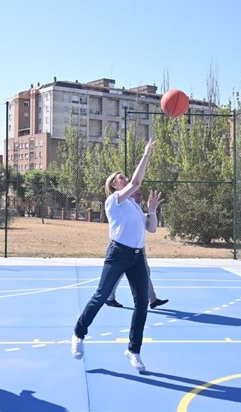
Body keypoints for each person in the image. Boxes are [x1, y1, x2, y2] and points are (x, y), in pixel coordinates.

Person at [72, 140, 160, 372]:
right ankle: (79, 332)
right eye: (118, 178)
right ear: (113, 186)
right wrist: (146, 154)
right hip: (118, 254)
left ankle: (133, 350)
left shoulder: (133, 206)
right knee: (101, 295)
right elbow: (137, 181)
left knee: (142, 304)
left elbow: (151, 229)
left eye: (123, 176)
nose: (122, 178)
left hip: (137, 257)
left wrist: (151, 210)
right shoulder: (114, 202)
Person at [106, 188, 168, 310]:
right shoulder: (120, 204)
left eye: (141, 193)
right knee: (118, 275)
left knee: (145, 272)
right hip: (123, 250)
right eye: (137, 193)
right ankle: (109, 297)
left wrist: (152, 211)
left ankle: (152, 299)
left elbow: (152, 228)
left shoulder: (138, 210)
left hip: (138, 249)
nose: (141, 195)